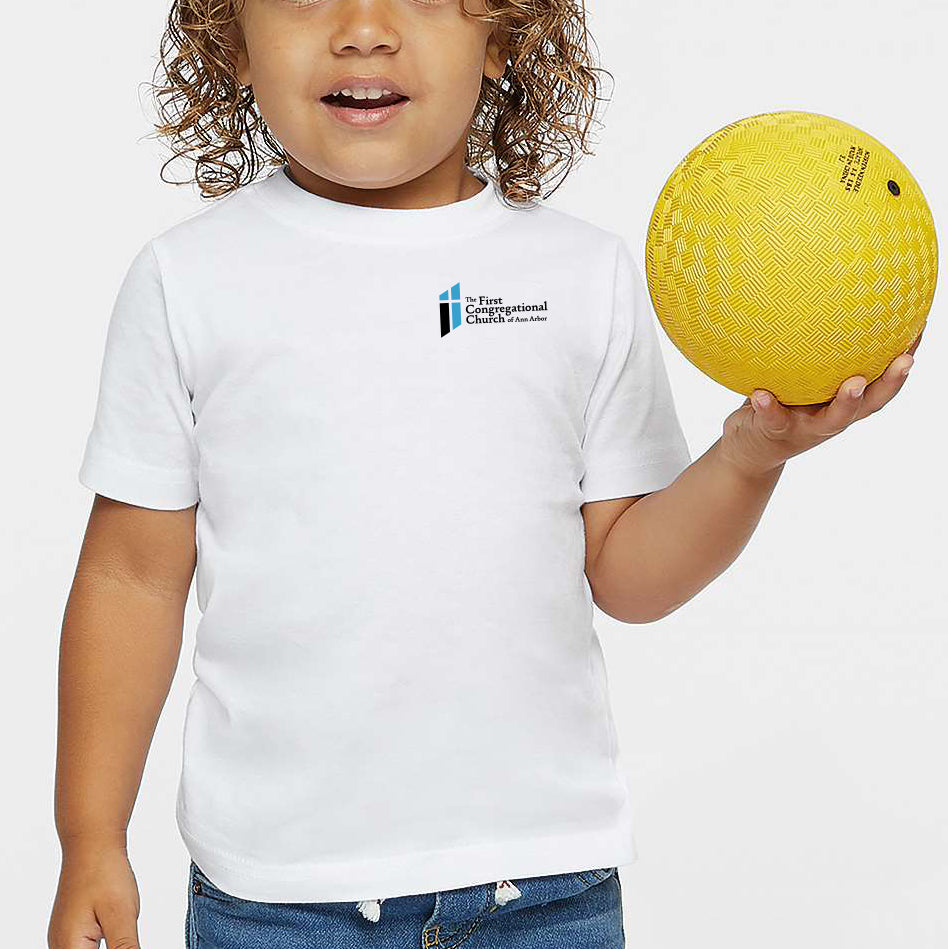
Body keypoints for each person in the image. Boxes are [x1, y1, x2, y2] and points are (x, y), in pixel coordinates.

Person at [47, 0, 921, 947]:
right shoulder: (187, 281)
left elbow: (629, 577)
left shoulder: (581, 276)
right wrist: (90, 836)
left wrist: (751, 457)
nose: (364, 28)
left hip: (542, 891)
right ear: (234, 40)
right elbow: (130, 578)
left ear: (503, 34)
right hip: (277, 899)